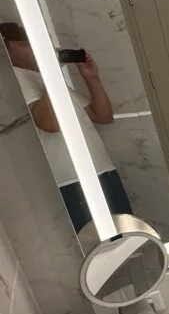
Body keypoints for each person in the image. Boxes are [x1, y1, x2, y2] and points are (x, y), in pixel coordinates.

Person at [1, 21, 132, 232]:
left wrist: (91, 78)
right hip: (72, 180)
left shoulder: (40, 79)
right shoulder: (13, 81)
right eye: (25, 43)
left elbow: (103, 116)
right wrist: (51, 73)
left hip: (101, 169)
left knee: (126, 237)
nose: (33, 47)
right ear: (5, 48)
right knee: (97, 245)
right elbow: (50, 124)